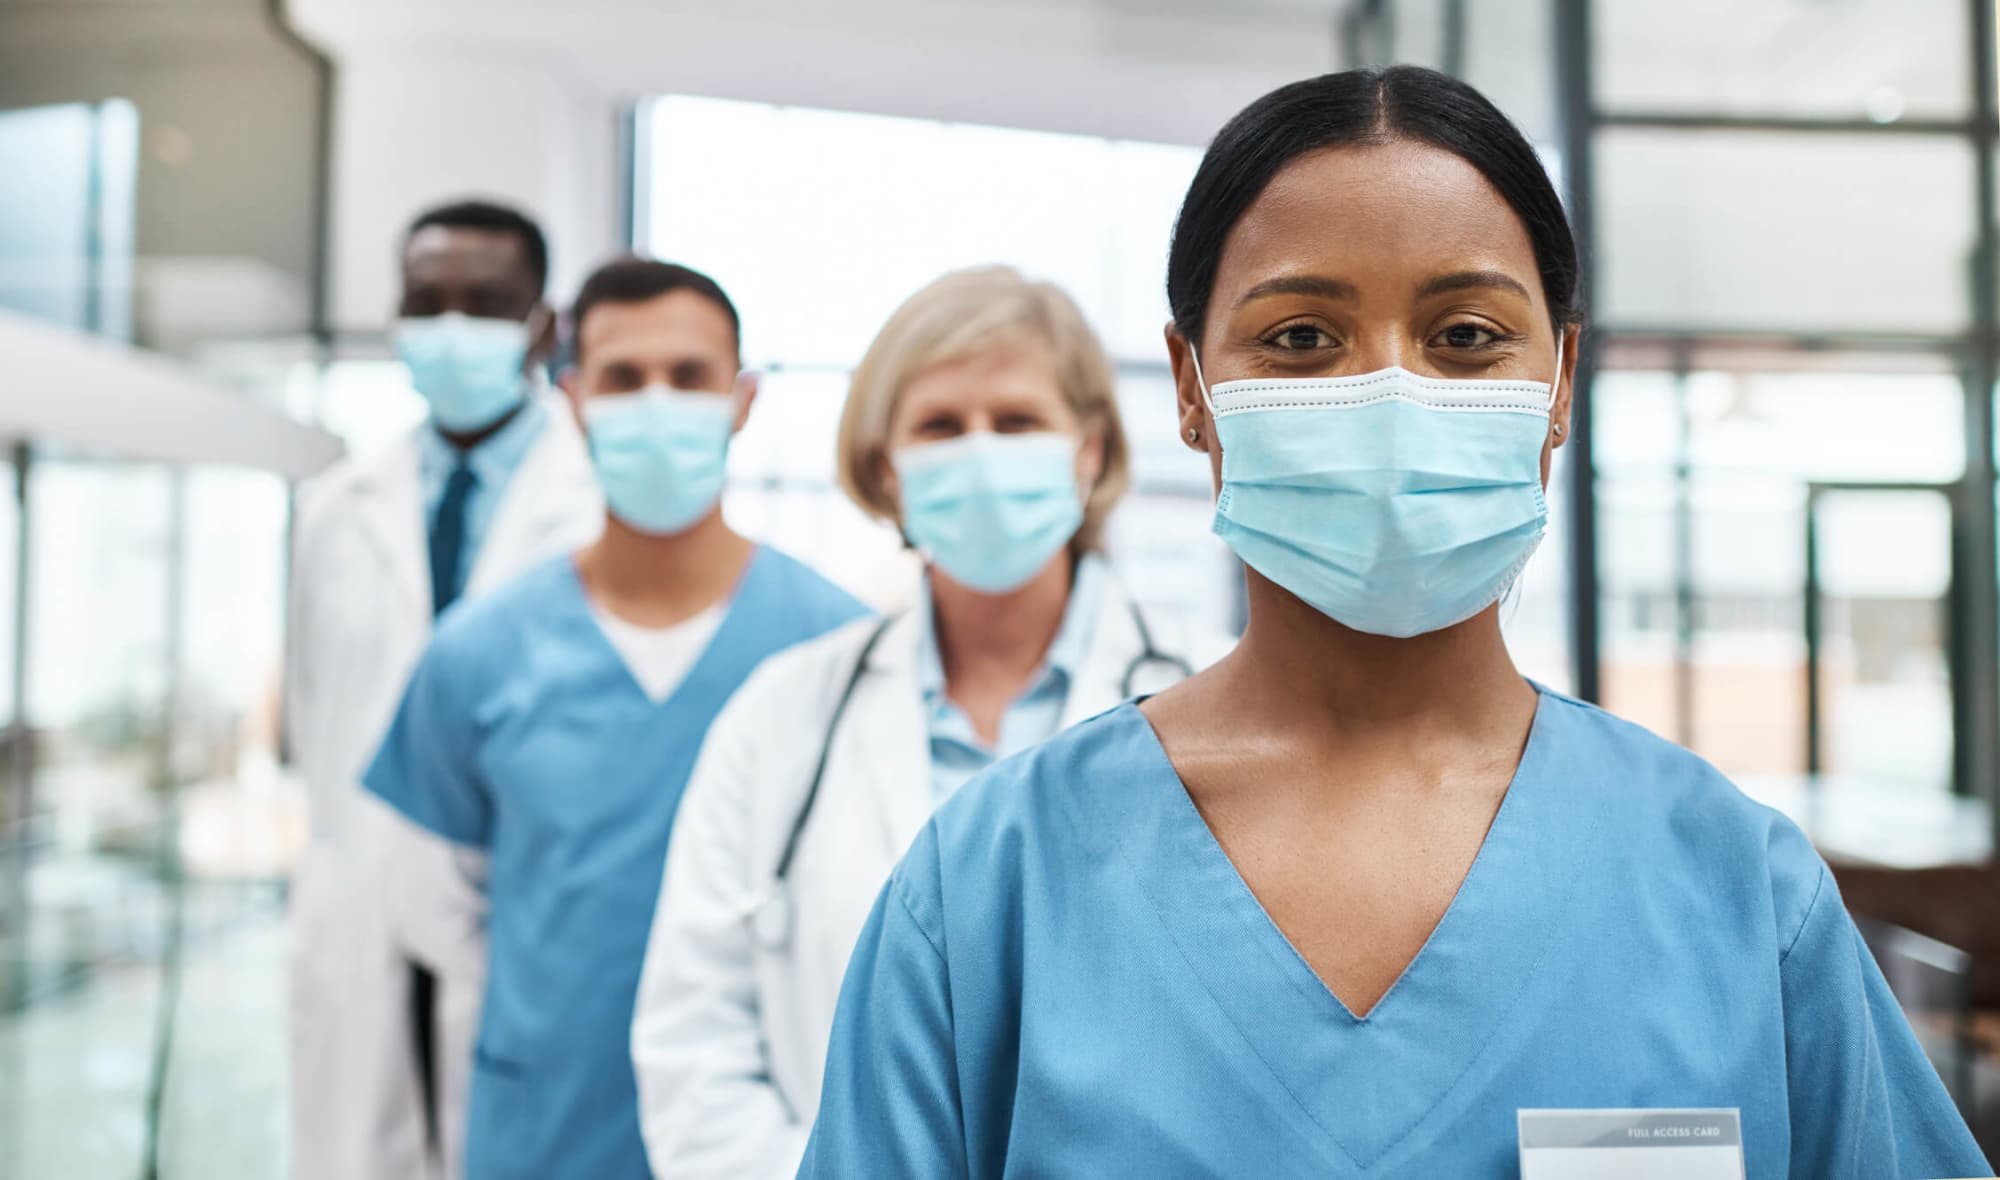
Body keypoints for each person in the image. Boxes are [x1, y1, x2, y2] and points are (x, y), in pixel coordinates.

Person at [798, 68, 1994, 1179]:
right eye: (1300, 338)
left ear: (1559, 383)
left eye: (1464, 336)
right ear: (1188, 390)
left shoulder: (1732, 885)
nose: (1389, 392)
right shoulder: (997, 887)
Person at [628, 265, 1234, 1179]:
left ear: (1092, 450)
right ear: (887, 469)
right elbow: (696, 1049)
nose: (980, 451)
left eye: (1018, 421)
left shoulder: (1221, 696)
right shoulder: (782, 717)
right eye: (941, 427)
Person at [362, 255, 866, 1180]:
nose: (658, 402)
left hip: (770, 1137)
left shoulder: (840, 649)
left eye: (690, 376)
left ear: (744, 398)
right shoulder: (475, 654)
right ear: (572, 397)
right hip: (545, 1127)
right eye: (625, 378)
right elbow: (436, 911)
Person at [286, 199, 601, 1180]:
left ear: (541, 327)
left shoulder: (592, 504)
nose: (453, 329)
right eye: (428, 302)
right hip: (360, 907)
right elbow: (313, 706)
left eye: (487, 303)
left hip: (524, 911)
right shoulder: (336, 508)